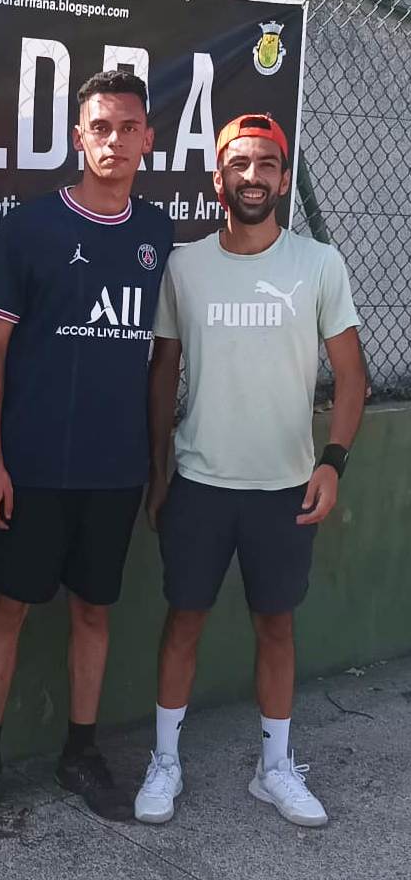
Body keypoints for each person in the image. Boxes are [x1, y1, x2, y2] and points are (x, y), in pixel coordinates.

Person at [0, 70, 175, 831]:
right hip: (30, 468)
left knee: (93, 610)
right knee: (6, 608)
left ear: (149, 138)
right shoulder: (31, 227)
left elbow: (162, 359)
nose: (114, 141)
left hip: (114, 471)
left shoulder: (156, 235)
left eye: (128, 127)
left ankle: (79, 753)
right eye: (99, 127)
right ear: (78, 138)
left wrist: (156, 465)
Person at [134, 114, 365, 828]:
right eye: (239, 164)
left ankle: (274, 768)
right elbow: (163, 370)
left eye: (266, 164)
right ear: (218, 180)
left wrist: (332, 462)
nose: (253, 176)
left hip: (285, 487)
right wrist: (158, 469)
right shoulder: (185, 266)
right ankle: (164, 761)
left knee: (276, 626)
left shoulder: (318, 264)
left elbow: (351, 375)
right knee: (184, 621)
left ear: (284, 180)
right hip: (200, 483)